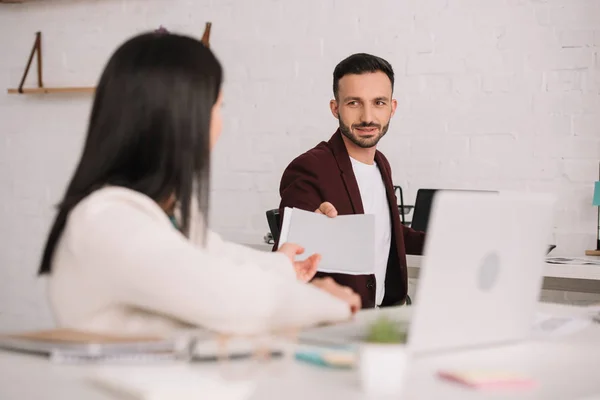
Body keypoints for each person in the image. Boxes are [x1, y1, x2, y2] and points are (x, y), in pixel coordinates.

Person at [38, 31, 361, 337]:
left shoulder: (161, 212)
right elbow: (227, 298)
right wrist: (326, 302)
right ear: (184, 118)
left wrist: (284, 266)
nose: (220, 122)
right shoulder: (109, 222)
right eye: (218, 107)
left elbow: (213, 256)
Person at [278, 53, 426, 309]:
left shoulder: (381, 164)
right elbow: (292, 256)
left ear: (392, 107)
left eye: (378, 102)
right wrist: (310, 228)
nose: (367, 117)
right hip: (334, 321)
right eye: (354, 103)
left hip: (382, 315)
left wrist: (445, 239)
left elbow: (384, 230)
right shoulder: (309, 167)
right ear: (335, 108)